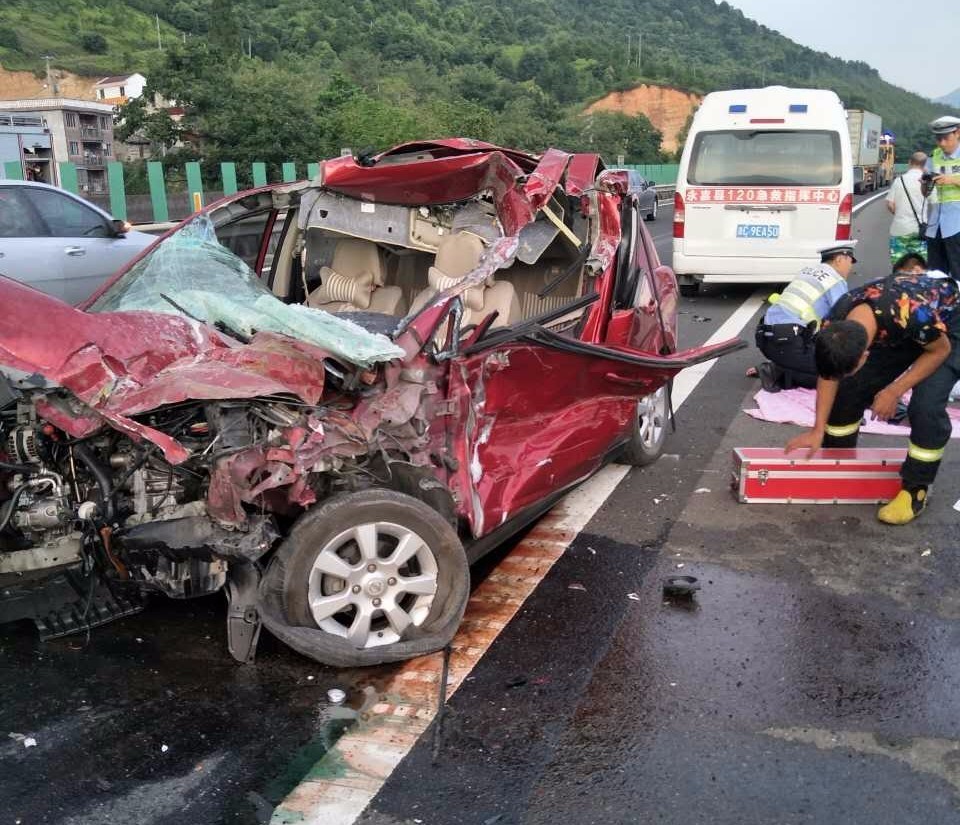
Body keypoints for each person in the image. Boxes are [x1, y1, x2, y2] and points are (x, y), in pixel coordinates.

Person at [785, 274, 960, 524]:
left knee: (925, 405)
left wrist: (894, 390)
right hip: (903, 328)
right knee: (849, 389)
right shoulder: (834, 322)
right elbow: (830, 374)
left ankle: (915, 490)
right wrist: (817, 428)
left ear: (865, 355)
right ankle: (839, 464)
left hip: (949, 328)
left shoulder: (910, 313)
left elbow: (939, 350)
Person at [752, 242, 857, 391]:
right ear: (839, 259)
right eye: (850, 261)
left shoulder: (807, 271)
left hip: (766, 338)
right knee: (838, 375)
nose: (851, 267)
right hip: (789, 342)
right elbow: (844, 320)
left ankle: (782, 365)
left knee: (821, 354)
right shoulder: (835, 280)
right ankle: (778, 371)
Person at [922, 116, 960, 278]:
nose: (942, 143)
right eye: (938, 139)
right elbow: (925, 193)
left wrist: (950, 179)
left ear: (958, 132)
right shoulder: (933, 157)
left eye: (946, 138)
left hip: (957, 225)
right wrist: (925, 183)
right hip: (935, 225)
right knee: (936, 276)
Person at [886, 151, 927, 264]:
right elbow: (934, 205)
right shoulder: (928, 182)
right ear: (924, 165)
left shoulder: (899, 180)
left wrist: (899, 213)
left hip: (900, 229)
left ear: (909, 162)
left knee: (899, 265)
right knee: (919, 266)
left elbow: (890, 204)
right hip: (920, 231)